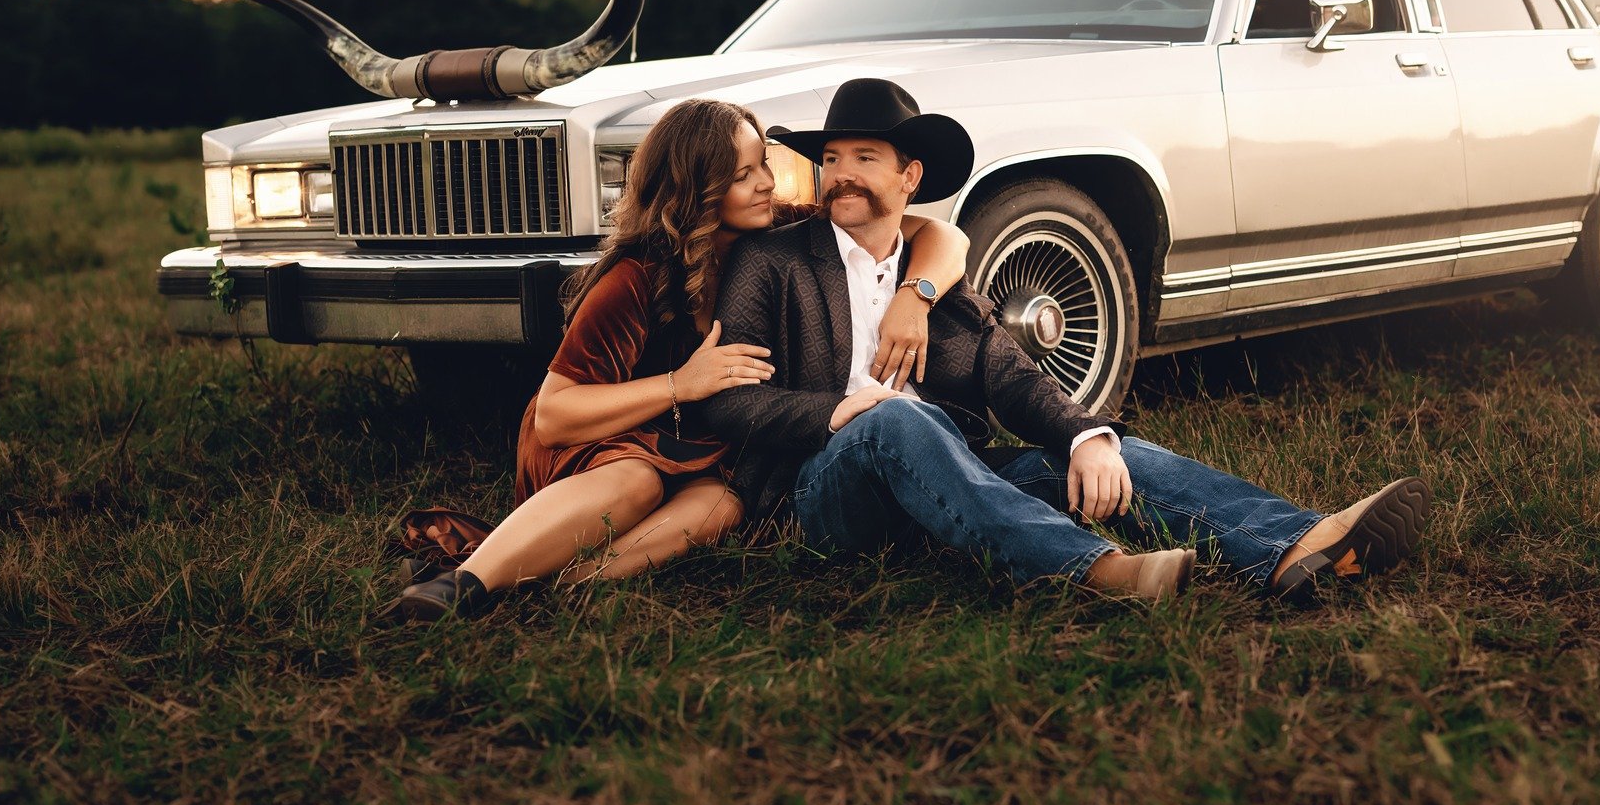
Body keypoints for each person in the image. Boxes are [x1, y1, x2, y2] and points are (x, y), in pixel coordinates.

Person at [695, 78, 1434, 605]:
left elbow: (1008, 373)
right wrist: (837, 412)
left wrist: (1086, 436)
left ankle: (1297, 547)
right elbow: (727, 401)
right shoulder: (773, 262)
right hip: (823, 492)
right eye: (831, 159)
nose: (840, 175)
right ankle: (1095, 571)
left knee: (1094, 458)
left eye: (864, 157)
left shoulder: (932, 279)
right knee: (893, 416)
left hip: (947, 487)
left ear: (909, 176)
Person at [391, 95, 975, 620]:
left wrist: (915, 296)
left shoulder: (775, 231)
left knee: (723, 506)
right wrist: (680, 384)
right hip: (596, 439)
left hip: (694, 450)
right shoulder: (635, 277)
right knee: (637, 481)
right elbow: (554, 414)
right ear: (696, 188)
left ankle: (558, 584)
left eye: (763, 164)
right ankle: (464, 584)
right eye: (743, 175)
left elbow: (942, 235)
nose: (767, 184)